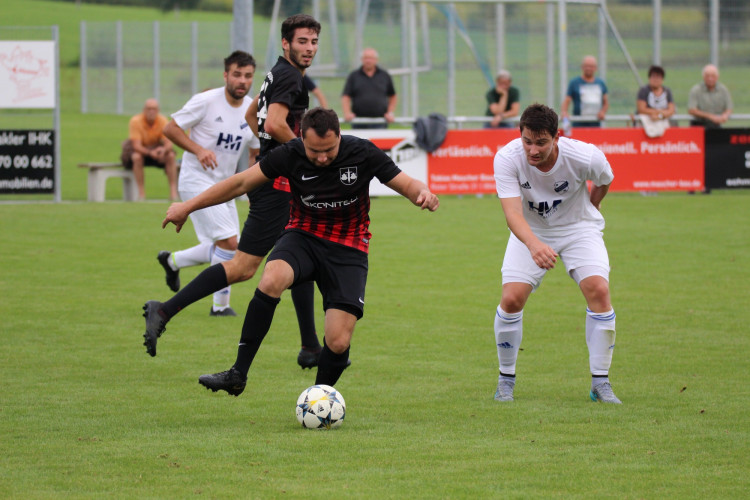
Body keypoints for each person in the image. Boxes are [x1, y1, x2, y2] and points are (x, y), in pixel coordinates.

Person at [161, 107, 439, 396]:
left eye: (329, 150)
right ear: (301, 139)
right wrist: (187, 206)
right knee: (271, 279)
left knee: (338, 341)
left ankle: (319, 398)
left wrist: (423, 193)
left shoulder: (363, 152)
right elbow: (240, 183)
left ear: (339, 136)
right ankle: (237, 373)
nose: (321, 158)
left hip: (348, 247)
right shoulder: (290, 153)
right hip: (303, 236)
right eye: (314, 151)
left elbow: (407, 183)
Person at [142, 15, 324, 369]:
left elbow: (253, 114)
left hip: (277, 179)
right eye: (303, 42)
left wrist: (273, 148)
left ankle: (310, 347)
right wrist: (311, 154)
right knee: (242, 266)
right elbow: (271, 122)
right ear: (286, 43)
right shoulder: (289, 76)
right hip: (278, 186)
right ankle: (162, 310)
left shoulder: (278, 72)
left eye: (314, 42)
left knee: (302, 255)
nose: (309, 49)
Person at [492, 103, 621, 404]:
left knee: (599, 291)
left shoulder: (585, 155)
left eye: (541, 142)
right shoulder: (507, 159)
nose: (532, 150)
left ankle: (600, 383)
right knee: (511, 299)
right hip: (530, 231)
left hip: (579, 229)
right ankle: (505, 380)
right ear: (519, 134)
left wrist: (593, 203)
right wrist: (534, 245)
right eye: (527, 140)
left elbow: (605, 179)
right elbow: (512, 214)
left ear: (556, 137)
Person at [151, 50, 259, 320]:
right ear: (225, 75)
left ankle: (172, 260)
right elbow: (171, 128)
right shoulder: (206, 101)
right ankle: (219, 307)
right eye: (236, 74)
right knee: (229, 242)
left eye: (247, 76)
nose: (242, 81)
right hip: (195, 180)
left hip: (227, 186)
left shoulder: (252, 111)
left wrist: (252, 184)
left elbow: (255, 151)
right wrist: (198, 150)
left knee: (229, 246)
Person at [121, 98, 179, 201]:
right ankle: (141, 194)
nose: (151, 111)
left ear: (158, 110)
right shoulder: (136, 121)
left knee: (170, 156)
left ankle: (173, 193)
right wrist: (149, 152)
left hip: (157, 153)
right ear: (144, 110)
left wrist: (163, 150)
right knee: (136, 157)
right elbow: (136, 146)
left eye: (154, 109)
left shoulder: (162, 120)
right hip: (142, 152)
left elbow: (169, 143)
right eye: (149, 109)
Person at [341, 48, 397, 129]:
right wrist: (347, 113)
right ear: (362, 59)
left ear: (376, 60)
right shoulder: (354, 76)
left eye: (371, 58)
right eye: (366, 58)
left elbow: (393, 96)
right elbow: (346, 96)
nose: (368, 61)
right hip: (358, 122)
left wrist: (390, 113)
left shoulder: (384, 75)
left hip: (380, 122)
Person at [560, 55, 609, 128]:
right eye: (586, 66)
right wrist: (564, 112)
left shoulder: (600, 83)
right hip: (578, 125)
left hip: (595, 124)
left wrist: (602, 112)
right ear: (582, 67)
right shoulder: (574, 83)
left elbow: (606, 103)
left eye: (591, 66)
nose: (588, 68)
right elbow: (567, 101)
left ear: (595, 68)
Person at [688, 64, 733, 128]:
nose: (710, 79)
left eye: (713, 76)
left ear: (717, 77)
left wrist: (725, 115)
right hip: (698, 125)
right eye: (707, 76)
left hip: (716, 125)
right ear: (703, 77)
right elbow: (692, 110)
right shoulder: (696, 90)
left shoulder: (723, 90)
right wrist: (710, 116)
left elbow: (729, 107)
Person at [636, 65, 675, 138]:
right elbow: (641, 109)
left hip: (663, 122)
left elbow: (671, 110)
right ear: (649, 78)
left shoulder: (667, 91)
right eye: (653, 76)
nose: (655, 79)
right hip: (647, 124)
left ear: (662, 79)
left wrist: (659, 116)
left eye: (658, 77)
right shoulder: (644, 91)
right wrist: (660, 112)